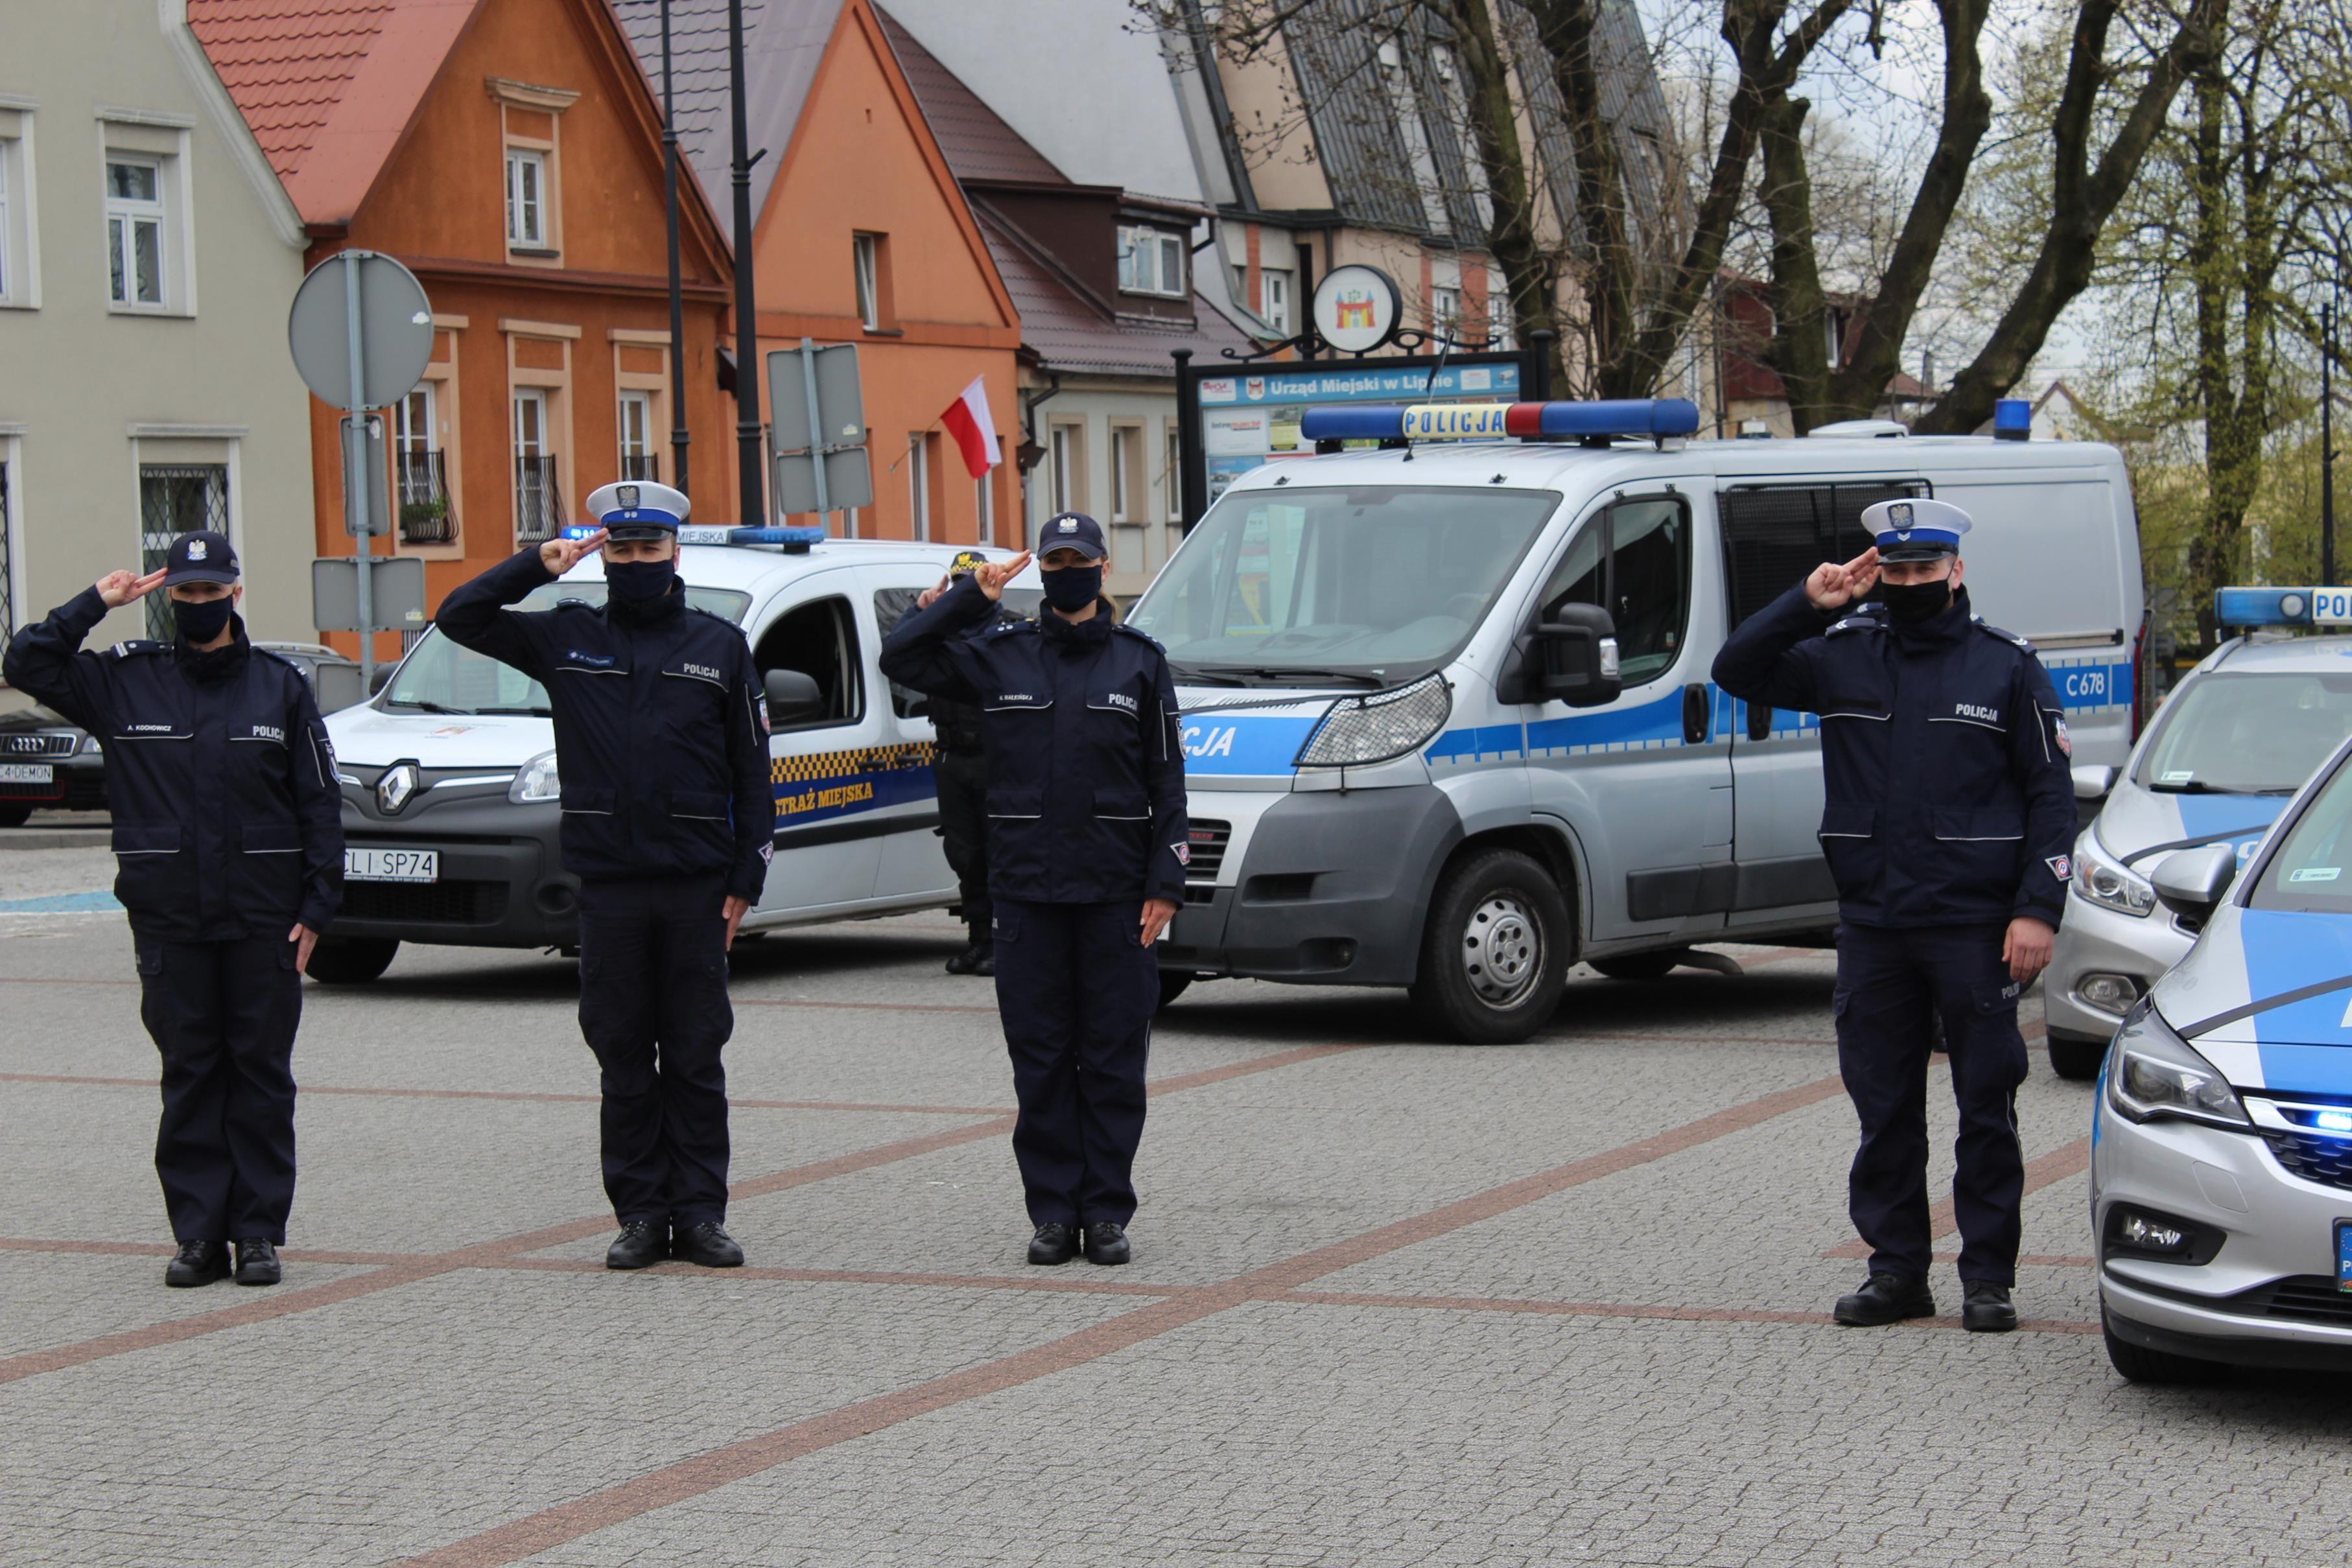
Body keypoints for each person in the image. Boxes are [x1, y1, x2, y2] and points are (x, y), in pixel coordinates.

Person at [1711, 497, 2076, 1334]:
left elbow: (2050, 798)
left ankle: (1988, 1277)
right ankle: (1897, 1271)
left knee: (1987, 1108)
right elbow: (1736, 669)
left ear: (1956, 571)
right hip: (1875, 924)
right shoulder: (1844, 654)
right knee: (1885, 1111)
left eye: (1925, 568)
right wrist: (1810, 599)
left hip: (1974, 926)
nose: (1911, 582)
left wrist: (2037, 910)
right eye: (1897, 568)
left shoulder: (2006, 666)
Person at [434, 480, 773, 1270]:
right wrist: (535, 564)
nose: (634, 561)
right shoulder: (566, 636)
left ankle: (699, 1214)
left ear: (673, 553)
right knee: (622, 1054)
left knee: (693, 1054)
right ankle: (641, 1215)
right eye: (620, 550)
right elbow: (460, 618)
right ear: (605, 556)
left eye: (648, 549)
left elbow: (753, 774)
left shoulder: (718, 645)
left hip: (694, 886)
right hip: (610, 885)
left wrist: (747, 877)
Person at [3, 532, 342, 1289]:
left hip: (263, 922)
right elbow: (24, 663)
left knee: (259, 1077)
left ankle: (256, 1232)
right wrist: (97, 602)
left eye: (209, 593)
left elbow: (319, 804)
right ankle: (197, 1235)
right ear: (168, 600)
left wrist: (320, 906)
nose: (198, 605)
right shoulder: (125, 682)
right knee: (189, 1075)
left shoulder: (278, 686)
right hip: (170, 921)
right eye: (184, 594)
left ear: (234, 592)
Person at [879, 512, 1188, 1267]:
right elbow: (902, 654)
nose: (1067, 568)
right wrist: (972, 596)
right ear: (1040, 569)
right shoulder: (1000, 654)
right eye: (1054, 558)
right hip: (1025, 894)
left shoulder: (1139, 663)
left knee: (1113, 1061)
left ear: (1102, 568)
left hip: (1117, 896)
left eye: (1080, 558)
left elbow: (1168, 779)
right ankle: (1053, 1213)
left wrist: (1166, 882)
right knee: (1042, 1060)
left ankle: (1106, 1212)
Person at [910, 550, 1016, 976]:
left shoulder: (1004, 630)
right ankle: (978, 939)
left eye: (973, 581)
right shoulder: (940, 630)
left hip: (995, 760)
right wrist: (918, 612)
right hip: (953, 757)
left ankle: (1001, 941)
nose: (965, 590)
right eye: (959, 583)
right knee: (964, 854)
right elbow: (898, 654)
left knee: (998, 856)